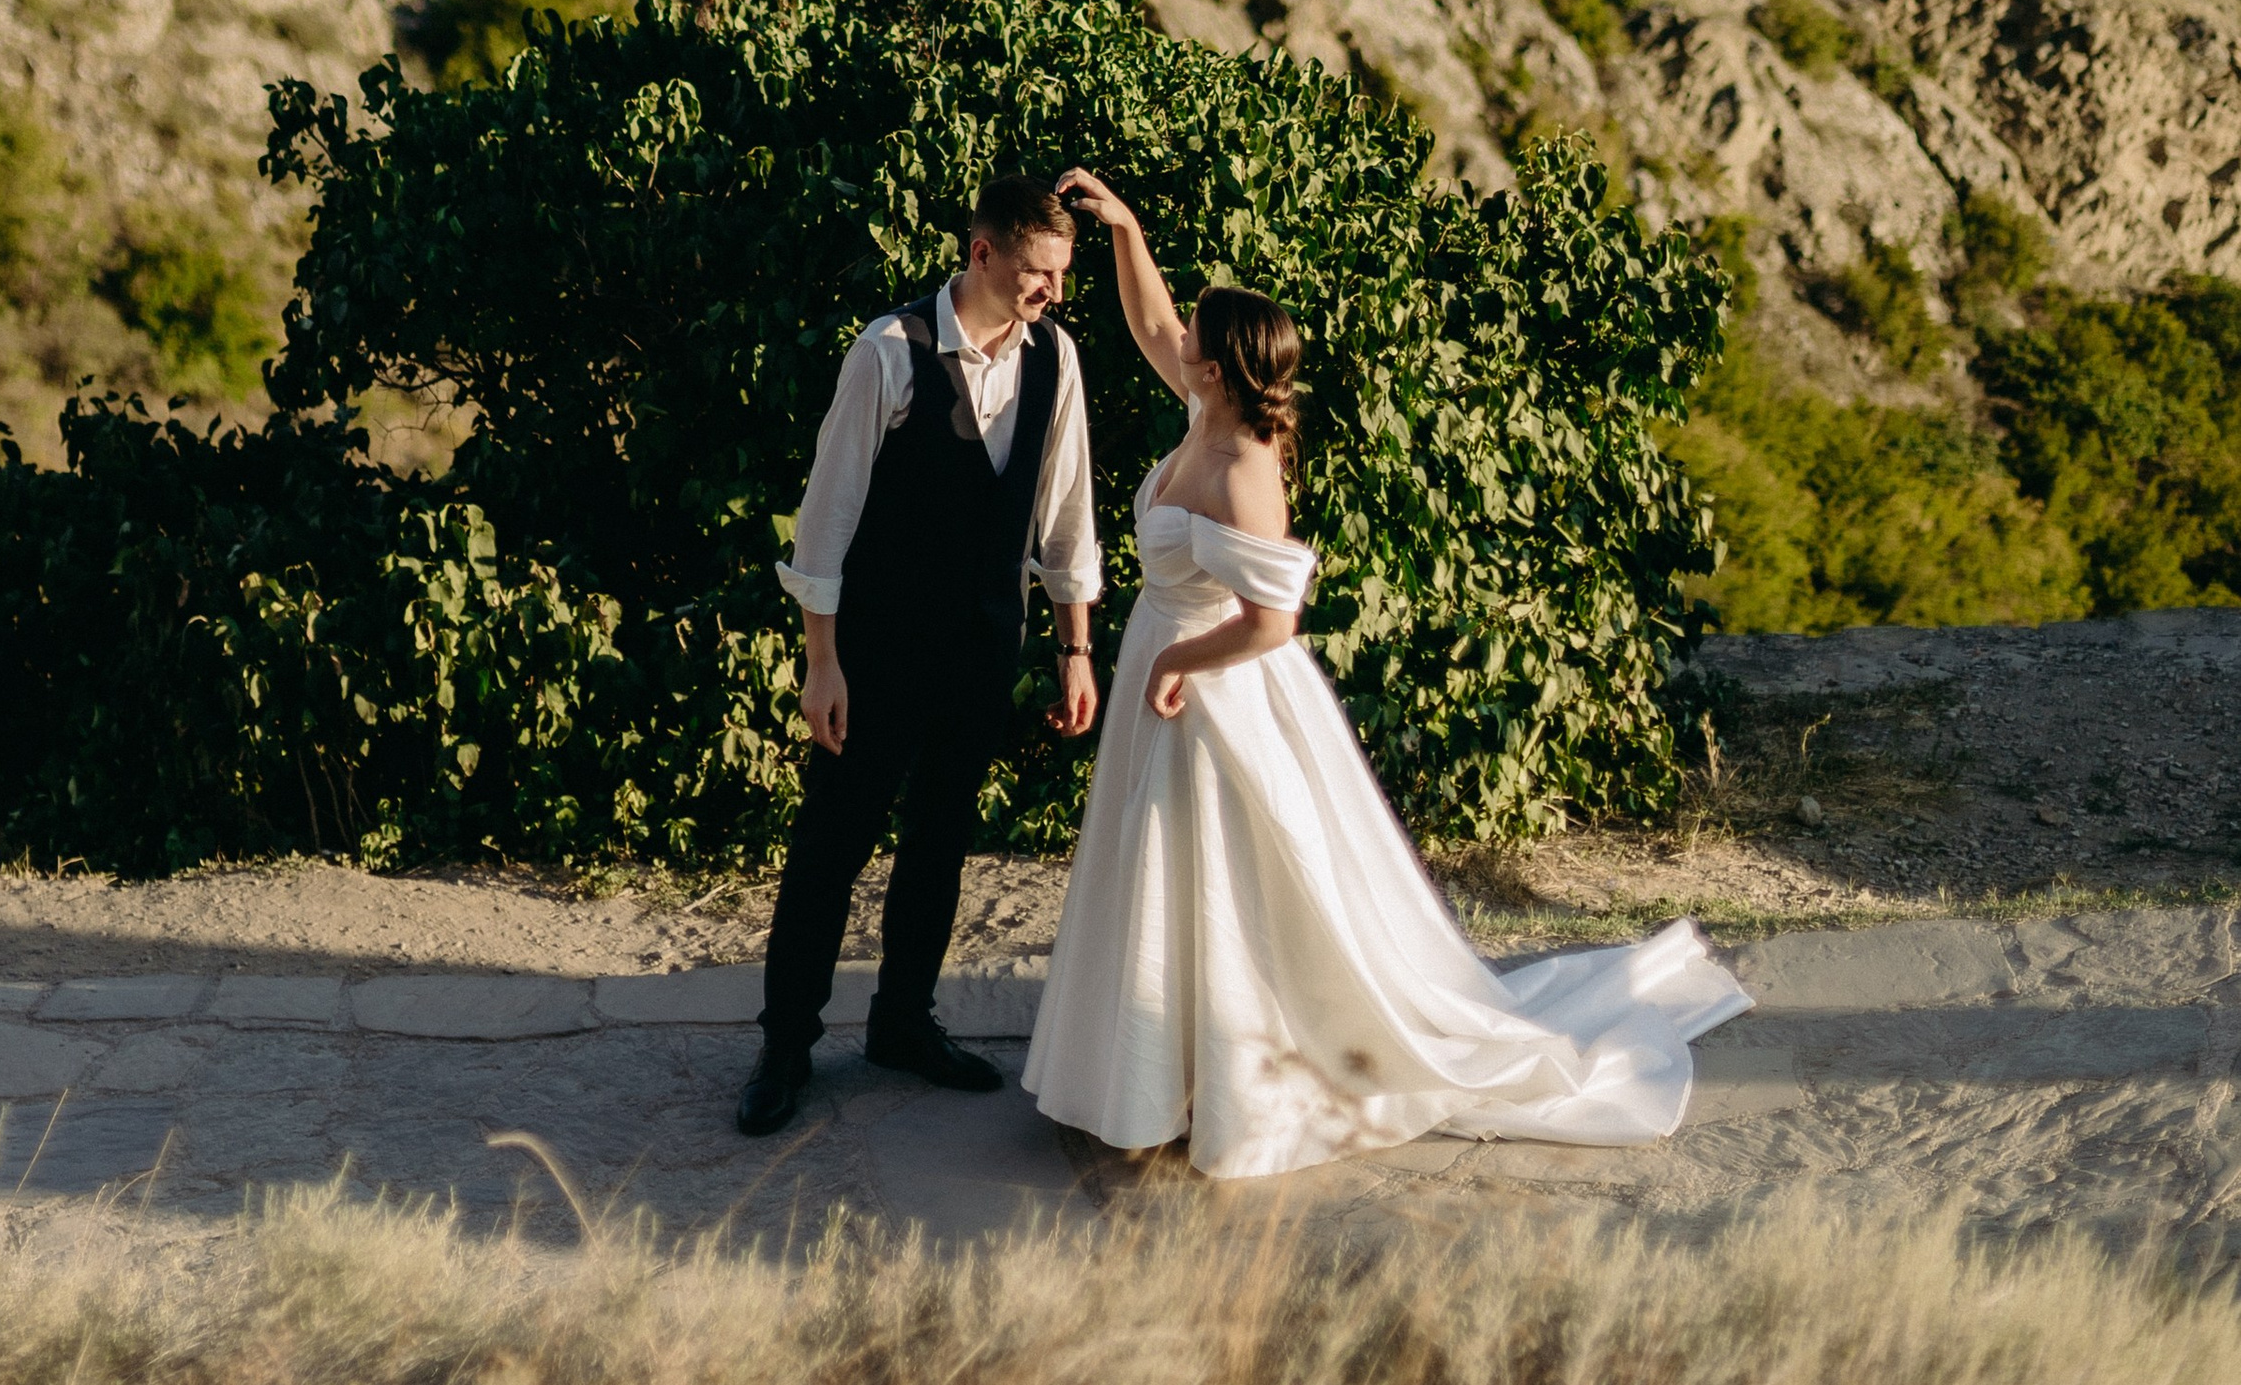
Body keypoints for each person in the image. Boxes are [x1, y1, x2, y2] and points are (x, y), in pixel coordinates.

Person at [1023, 167, 1749, 1179]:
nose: (1177, 342)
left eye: (1198, 336)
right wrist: (1126, 230)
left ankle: (1220, 1077)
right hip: (1169, 664)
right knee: (1159, 875)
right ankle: (1155, 1070)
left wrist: (1182, 656)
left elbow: (1272, 625)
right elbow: (1149, 325)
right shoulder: (1203, 408)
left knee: (1219, 877)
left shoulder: (1242, 471)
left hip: (1216, 685)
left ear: (1225, 368)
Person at [737, 173, 1102, 1137]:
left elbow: (1068, 519)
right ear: (980, 255)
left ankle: (903, 1023)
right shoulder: (888, 352)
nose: (1051, 293)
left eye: (1061, 276)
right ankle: (785, 1045)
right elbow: (825, 523)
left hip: (984, 647)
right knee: (832, 847)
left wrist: (1075, 647)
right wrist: (823, 662)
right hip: (877, 653)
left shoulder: (1057, 361)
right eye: (1036, 273)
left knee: (939, 844)